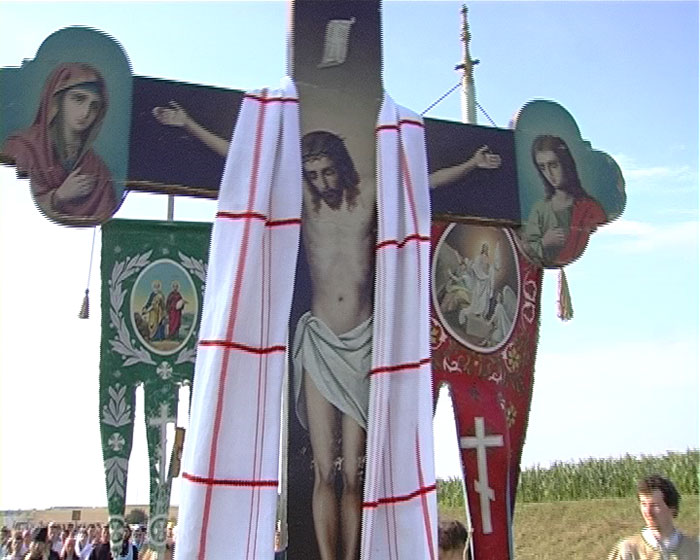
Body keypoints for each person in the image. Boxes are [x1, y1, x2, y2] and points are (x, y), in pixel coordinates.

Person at [152, 103, 498, 560]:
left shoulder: (369, 195)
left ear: (342, 166)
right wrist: (189, 123)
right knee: (322, 470)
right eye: (312, 174)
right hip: (317, 341)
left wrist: (472, 164)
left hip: (362, 342)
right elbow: (244, 159)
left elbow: (421, 184)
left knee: (355, 473)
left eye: (327, 171)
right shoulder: (304, 200)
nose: (320, 182)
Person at [1, 63, 117, 224]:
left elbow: (105, 213)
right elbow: (9, 203)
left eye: (94, 106)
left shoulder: (97, 169)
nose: (86, 112)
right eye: (78, 99)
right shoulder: (22, 148)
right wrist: (58, 197)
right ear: (58, 100)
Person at [522, 135, 606, 266]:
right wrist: (544, 242)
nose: (549, 174)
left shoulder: (588, 207)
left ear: (565, 163)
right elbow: (526, 248)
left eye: (553, 165)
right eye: (543, 167)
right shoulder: (540, 209)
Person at [608, 475, 699, 560]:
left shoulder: (695, 549)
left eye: (655, 505)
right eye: (644, 504)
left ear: (672, 508)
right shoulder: (627, 551)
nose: (648, 512)